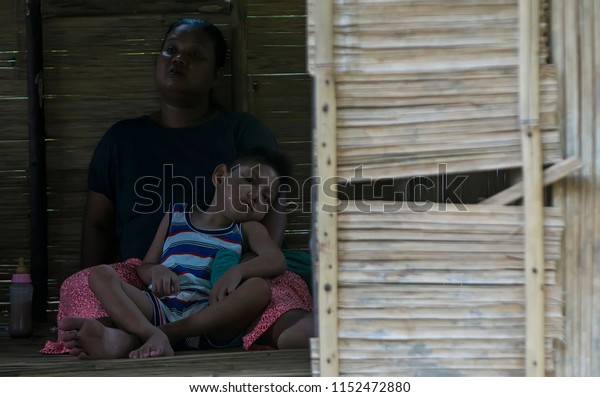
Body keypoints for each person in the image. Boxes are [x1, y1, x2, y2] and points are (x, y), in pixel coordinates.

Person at [40, 17, 305, 355]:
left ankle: (150, 335)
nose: (179, 59)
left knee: (276, 284)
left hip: (226, 279)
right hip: (149, 281)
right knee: (84, 282)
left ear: (216, 75)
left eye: (195, 55)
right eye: (171, 50)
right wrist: (138, 276)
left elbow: (275, 200)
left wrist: (239, 268)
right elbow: (97, 224)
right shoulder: (122, 139)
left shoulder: (240, 131)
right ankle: (119, 335)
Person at [60, 149, 311, 358]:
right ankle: (144, 336)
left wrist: (238, 271)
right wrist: (156, 271)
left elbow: (275, 259)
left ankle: (163, 335)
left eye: (266, 197)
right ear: (221, 176)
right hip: (159, 306)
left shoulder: (248, 229)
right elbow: (144, 266)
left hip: (209, 317)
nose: (256, 196)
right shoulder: (175, 216)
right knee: (101, 274)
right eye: (250, 182)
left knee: (258, 289)